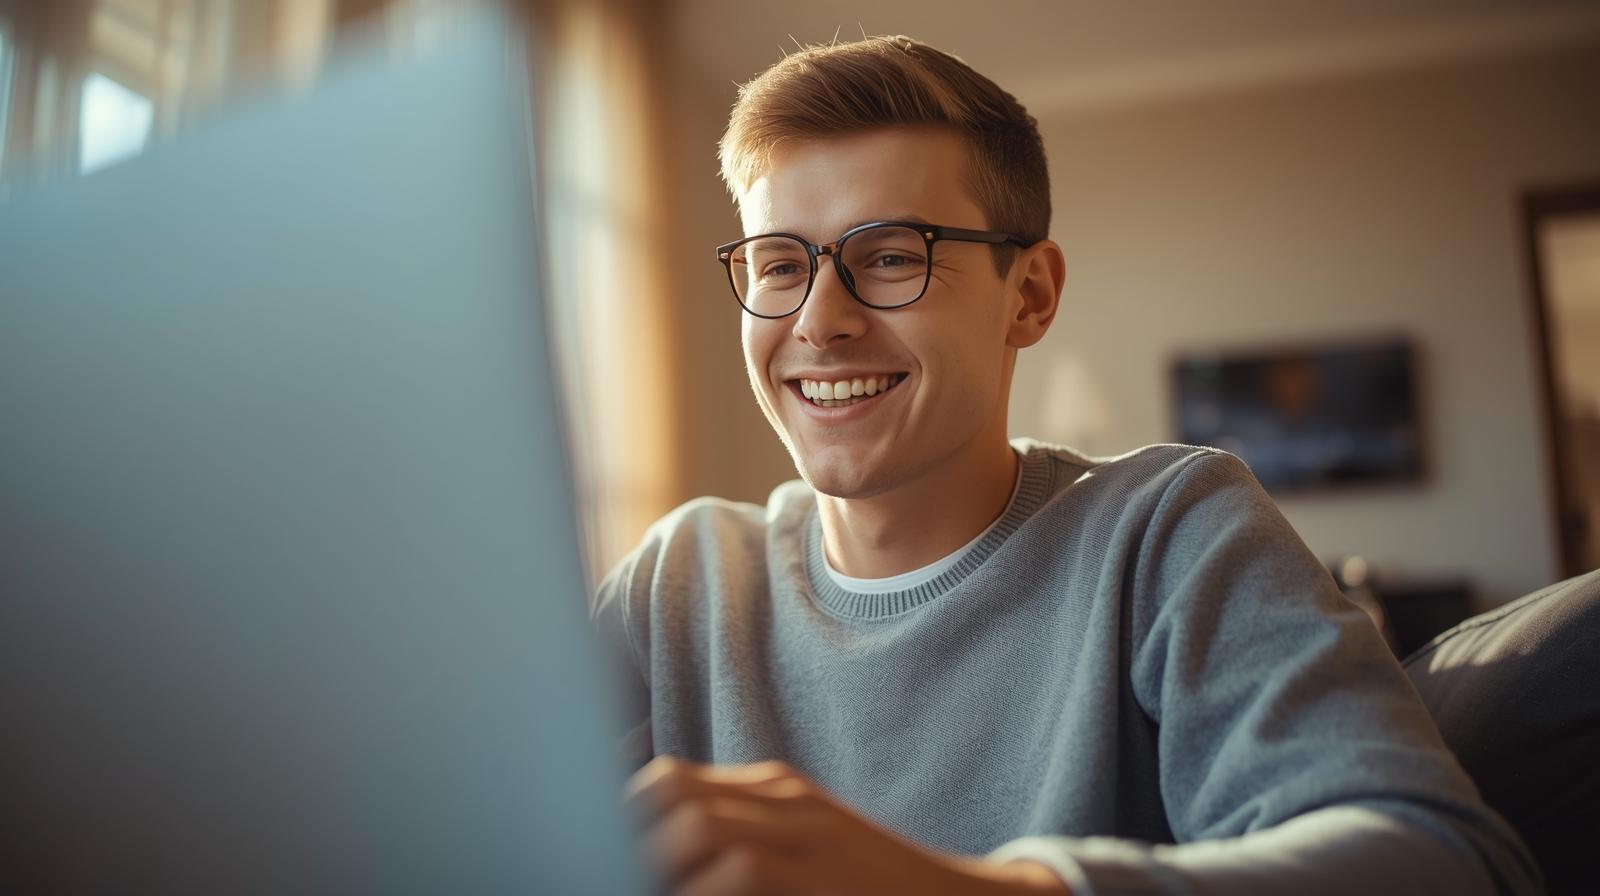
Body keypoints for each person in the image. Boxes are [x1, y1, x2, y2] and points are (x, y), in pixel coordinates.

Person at [592, 35, 1539, 896]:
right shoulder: (679, 585)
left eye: (889, 257)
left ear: (1030, 296)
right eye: (778, 265)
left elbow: (1442, 858)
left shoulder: (1169, 530)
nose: (819, 320)